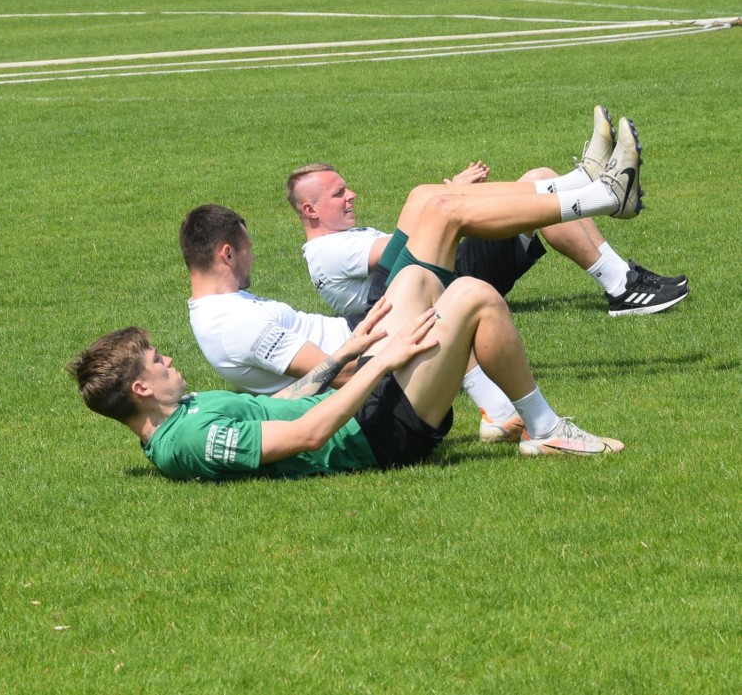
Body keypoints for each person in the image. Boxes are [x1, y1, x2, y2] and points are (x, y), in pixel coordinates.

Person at [181, 117, 645, 442]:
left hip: (371, 330)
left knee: (431, 200)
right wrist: (392, 348)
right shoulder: (232, 323)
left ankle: (589, 188)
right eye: (245, 251)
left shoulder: (226, 311)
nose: (253, 259)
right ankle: (600, 195)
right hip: (373, 344)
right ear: (225, 253)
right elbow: (336, 371)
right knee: (442, 210)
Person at [67, 264, 625, 483]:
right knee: (474, 296)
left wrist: (348, 352)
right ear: (141, 390)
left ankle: (501, 415)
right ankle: (546, 427)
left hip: (361, 410)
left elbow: (286, 401)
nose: (169, 361)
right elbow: (307, 435)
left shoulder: (180, 414)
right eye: (158, 362)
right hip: (376, 438)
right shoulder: (184, 441)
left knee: (413, 283)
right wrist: (381, 361)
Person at [287, 106, 687, 323]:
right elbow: (404, 252)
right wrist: (452, 198)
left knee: (538, 178)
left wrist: (451, 198)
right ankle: (614, 251)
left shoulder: (337, 241)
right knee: (475, 204)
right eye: (339, 194)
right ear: (310, 210)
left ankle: (590, 190)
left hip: (450, 278)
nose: (352, 195)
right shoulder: (327, 253)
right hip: (446, 291)